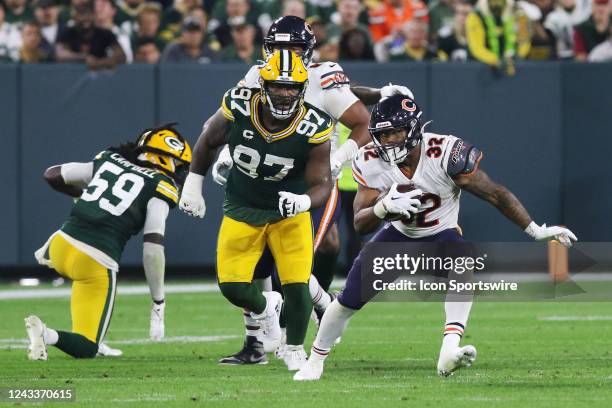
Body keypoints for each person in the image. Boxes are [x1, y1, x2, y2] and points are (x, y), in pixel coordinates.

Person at [294, 95, 577, 380]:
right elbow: (359, 223)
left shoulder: (445, 152)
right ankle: (315, 360)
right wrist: (383, 207)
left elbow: (495, 194)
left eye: (396, 132)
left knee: (463, 261)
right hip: (399, 237)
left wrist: (535, 230)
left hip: (440, 236)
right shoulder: (370, 160)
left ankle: (449, 349)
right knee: (346, 302)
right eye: (383, 134)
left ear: (414, 129)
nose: (389, 140)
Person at [208, 15, 412, 366]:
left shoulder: (324, 74)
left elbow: (338, 99)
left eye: (295, 48)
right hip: (265, 176)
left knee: (314, 250)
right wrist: (229, 151)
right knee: (255, 264)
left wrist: (343, 154)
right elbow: (240, 117)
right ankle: (259, 341)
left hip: (311, 178)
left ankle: (316, 307)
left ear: (308, 50)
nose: (287, 55)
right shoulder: (259, 75)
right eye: (281, 48)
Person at [179, 49, 334, 372]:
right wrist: (194, 183)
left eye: (292, 87)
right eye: (277, 85)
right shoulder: (239, 104)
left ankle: (294, 348)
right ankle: (266, 307)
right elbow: (208, 141)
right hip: (243, 205)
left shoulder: (313, 124)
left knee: (296, 283)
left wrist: (304, 201)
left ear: (303, 89)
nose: (284, 92)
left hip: (287, 211)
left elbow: (322, 181)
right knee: (231, 285)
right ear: (263, 84)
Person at [25, 124, 192, 360]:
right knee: (86, 348)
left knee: (92, 322)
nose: (180, 171)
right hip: (94, 260)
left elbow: (52, 174)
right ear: (166, 158)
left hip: (60, 246)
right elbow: (152, 250)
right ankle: (46, 334)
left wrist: (83, 196)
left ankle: (96, 336)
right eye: (180, 164)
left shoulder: (109, 160)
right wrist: (158, 302)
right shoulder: (161, 187)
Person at [55, 1, 126, 69]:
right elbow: (59, 55)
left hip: (101, 74)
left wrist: (101, 62)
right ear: (75, 17)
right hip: (73, 75)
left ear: (95, 16)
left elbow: (121, 55)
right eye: (81, 14)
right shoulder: (68, 32)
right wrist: (83, 58)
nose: (86, 18)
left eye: (89, 14)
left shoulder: (105, 33)